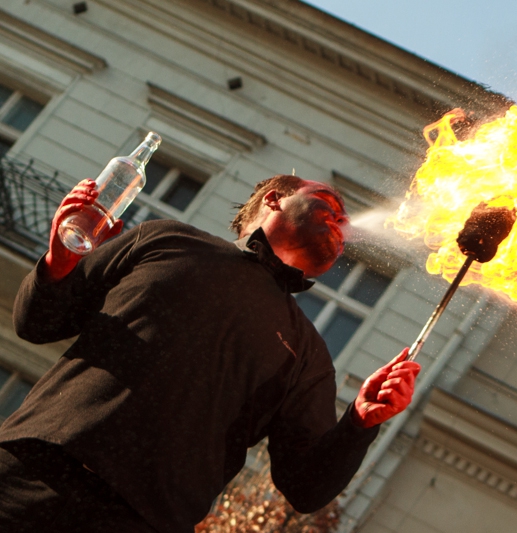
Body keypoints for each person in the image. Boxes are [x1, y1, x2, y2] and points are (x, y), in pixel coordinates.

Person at [0, 174, 421, 532]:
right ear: (274, 199)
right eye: (328, 202)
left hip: (139, 522)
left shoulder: (309, 354)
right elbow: (36, 323)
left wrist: (361, 421)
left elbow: (305, 487)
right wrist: (59, 260)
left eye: (345, 218)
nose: (344, 219)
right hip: (29, 468)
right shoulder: (166, 239)